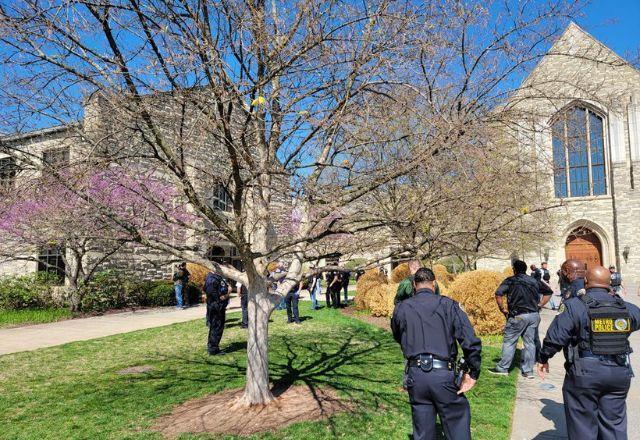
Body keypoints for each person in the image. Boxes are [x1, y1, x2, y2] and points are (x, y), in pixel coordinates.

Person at [537, 265, 640, 439]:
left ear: (586, 282)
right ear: (610, 283)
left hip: (585, 372)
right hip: (618, 371)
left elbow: (556, 336)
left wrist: (543, 357)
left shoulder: (574, 306)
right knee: (614, 425)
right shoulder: (626, 307)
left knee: (582, 426)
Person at [391, 268, 482, 440]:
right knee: (456, 425)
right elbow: (470, 341)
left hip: (416, 375)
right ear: (434, 284)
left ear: (413, 285)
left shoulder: (401, 308)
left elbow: (398, 335)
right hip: (443, 375)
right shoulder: (448, 305)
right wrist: (473, 372)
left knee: (423, 432)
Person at [489, 259, 552, 379]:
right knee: (529, 343)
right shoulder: (534, 280)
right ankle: (528, 371)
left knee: (510, 342)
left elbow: (498, 294)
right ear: (526, 269)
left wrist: (502, 309)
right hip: (533, 315)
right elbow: (548, 292)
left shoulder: (511, 281)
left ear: (514, 269)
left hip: (517, 315)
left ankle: (503, 368)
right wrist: (540, 305)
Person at [203, 270, 230, 355]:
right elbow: (213, 295)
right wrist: (226, 294)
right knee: (216, 327)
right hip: (216, 307)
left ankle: (214, 347)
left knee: (218, 327)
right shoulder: (212, 278)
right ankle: (213, 349)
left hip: (218, 306)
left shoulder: (217, 277)